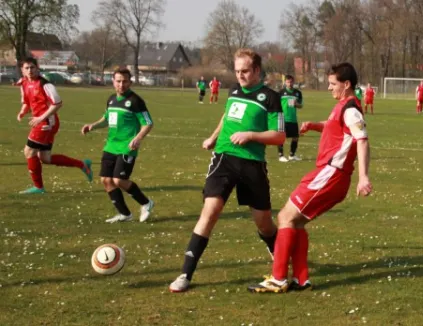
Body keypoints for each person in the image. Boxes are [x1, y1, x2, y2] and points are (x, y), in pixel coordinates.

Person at [247, 62, 372, 293]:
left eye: (332, 84)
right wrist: (314, 126)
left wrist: (363, 177)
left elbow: (362, 140)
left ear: (346, 84)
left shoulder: (352, 109)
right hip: (329, 173)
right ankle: (301, 279)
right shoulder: (344, 106)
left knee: (285, 216)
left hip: (332, 173)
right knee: (297, 221)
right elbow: (334, 126)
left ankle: (278, 278)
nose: (328, 88)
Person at [169, 48, 286, 293]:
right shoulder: (233, 91)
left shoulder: (271, 97)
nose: (240, 76)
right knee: (210, 211)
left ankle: (279, 258)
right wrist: (213, 137)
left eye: (245, 71)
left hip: (253, 164)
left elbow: (279, 136)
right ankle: (185, 274)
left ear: (256, 70)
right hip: (224, 158)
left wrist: (251, 135)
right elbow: (227, 114)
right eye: (237, 71)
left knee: (264, 223)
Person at [81, 68, 155, 223]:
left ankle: (146, 203)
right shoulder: (111, 99)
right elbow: (108, 119)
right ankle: (124, 214)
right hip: (111, 146)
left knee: (119, 180)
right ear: (113, 81)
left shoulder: (136, 101)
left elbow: (148, 123)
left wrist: (138, 138)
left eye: (125, 81)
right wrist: (92, 126)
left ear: (130, 82)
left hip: (127, 146)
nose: (121, 84)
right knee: (106, 180)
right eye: (118, 81)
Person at [16, 57, 93, 194]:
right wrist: (22, 112)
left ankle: (39, 188)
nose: (30, 70)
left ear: (37, 68)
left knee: (29, 151)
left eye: (32, 67)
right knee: (45, 158)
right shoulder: (25, 83)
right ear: (22, 70)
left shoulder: (45, 84)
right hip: (43, 122)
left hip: (46, 123)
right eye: (26, 68)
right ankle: (82, 165)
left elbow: (57, 104)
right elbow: (28, 102)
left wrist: (41, 117)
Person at [278, 74, 303, 162]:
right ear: (285, 82)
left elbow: (301, 105)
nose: (290, 84)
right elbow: (276, 104)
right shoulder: (281, 92)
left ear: (293, 82)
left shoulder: (298, 93)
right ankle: (281, 155)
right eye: (288, 82)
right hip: (282, 117)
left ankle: (292, 155)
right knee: (281, 137)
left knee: (295, 137)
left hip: (293, 118)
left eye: (291, 82)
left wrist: (297, 104)